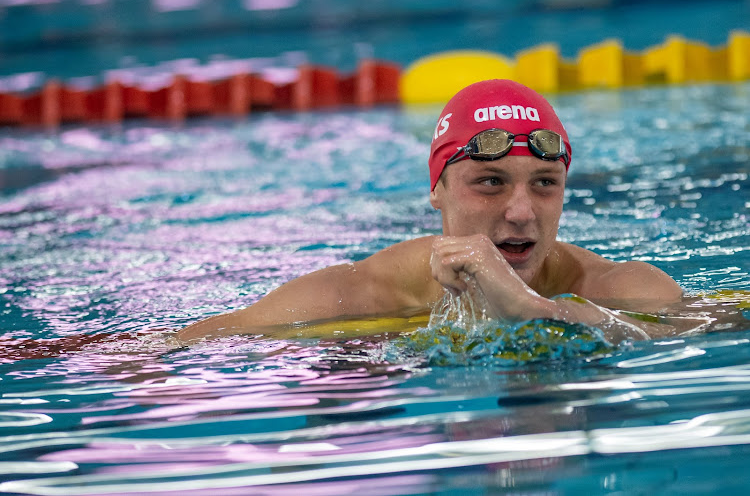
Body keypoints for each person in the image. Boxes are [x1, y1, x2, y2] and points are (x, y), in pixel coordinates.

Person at [177, 79, 683, 343]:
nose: (523, 213)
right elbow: (152, 353)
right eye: (491, 182)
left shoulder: (620, 289)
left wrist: (533, 311)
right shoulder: (354, 296)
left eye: (545, 184)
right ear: (436, 189)